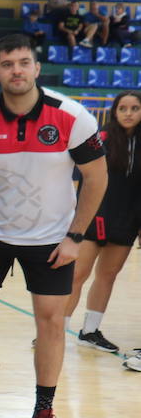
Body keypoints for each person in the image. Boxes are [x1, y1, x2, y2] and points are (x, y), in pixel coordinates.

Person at [0, 32, 108, 418]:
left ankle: (42, 415)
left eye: (23, 63)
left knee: (52, 324)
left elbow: (97, 177)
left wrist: (75, 237)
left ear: (36, 68)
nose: (16, 71)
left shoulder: (73, 116)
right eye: (7, 64)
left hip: (51, 241)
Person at [66, 90, 141, 353]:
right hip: (95, 216)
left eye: (134, 108)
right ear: (115, 112)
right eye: (123, 108)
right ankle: (55, 330)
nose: (129, 113)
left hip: (127, 220)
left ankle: (89, 331)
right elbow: (86, 180)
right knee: (77, 275)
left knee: (107, 275)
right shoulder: (102, 139)